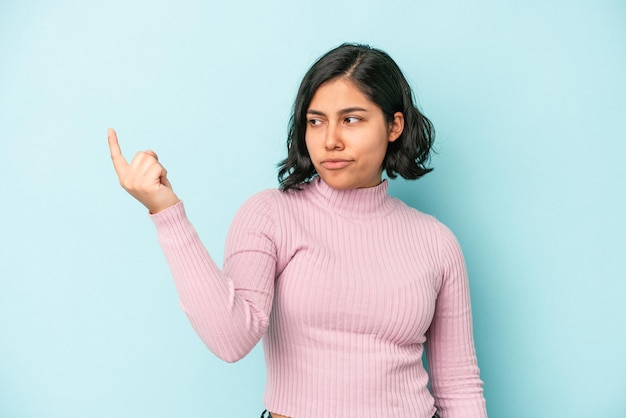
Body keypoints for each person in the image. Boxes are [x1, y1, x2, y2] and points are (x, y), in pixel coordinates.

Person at [108, 43, 487, 418]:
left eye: (351, 119)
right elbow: (230, 338)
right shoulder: (271, 215)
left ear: (394, 125)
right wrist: (167, 212)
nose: (330, 140)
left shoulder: (436, 242)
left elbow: (458, 385)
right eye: (316, 120)